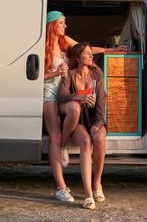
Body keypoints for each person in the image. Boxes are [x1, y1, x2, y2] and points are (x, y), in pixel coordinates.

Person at [42, 11, 117, 203]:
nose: (65, 26)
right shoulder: (43, 46)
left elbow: (85, 50)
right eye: (61, 23)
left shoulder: (64, 41)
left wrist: (109, 50)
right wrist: (56, 73)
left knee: (75, 109)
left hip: (66, 89)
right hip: (50, 91)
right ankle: (61, 187)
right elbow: (35, 76)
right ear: (52, 25)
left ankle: (64, 143)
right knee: (54, 135)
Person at [58, 41, 108, 209]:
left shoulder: (96, 73)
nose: (91, 55)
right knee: (86, 142)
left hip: (94, 116)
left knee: (99, 138)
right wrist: (77, 97)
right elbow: (61, 97)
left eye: (90, 53)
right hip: (78, 119)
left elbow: (101, 99)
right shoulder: (69, 74)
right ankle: (88, 195)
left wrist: (99, 121)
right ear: (78, 57)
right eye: (87, 53)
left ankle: (97, 183)